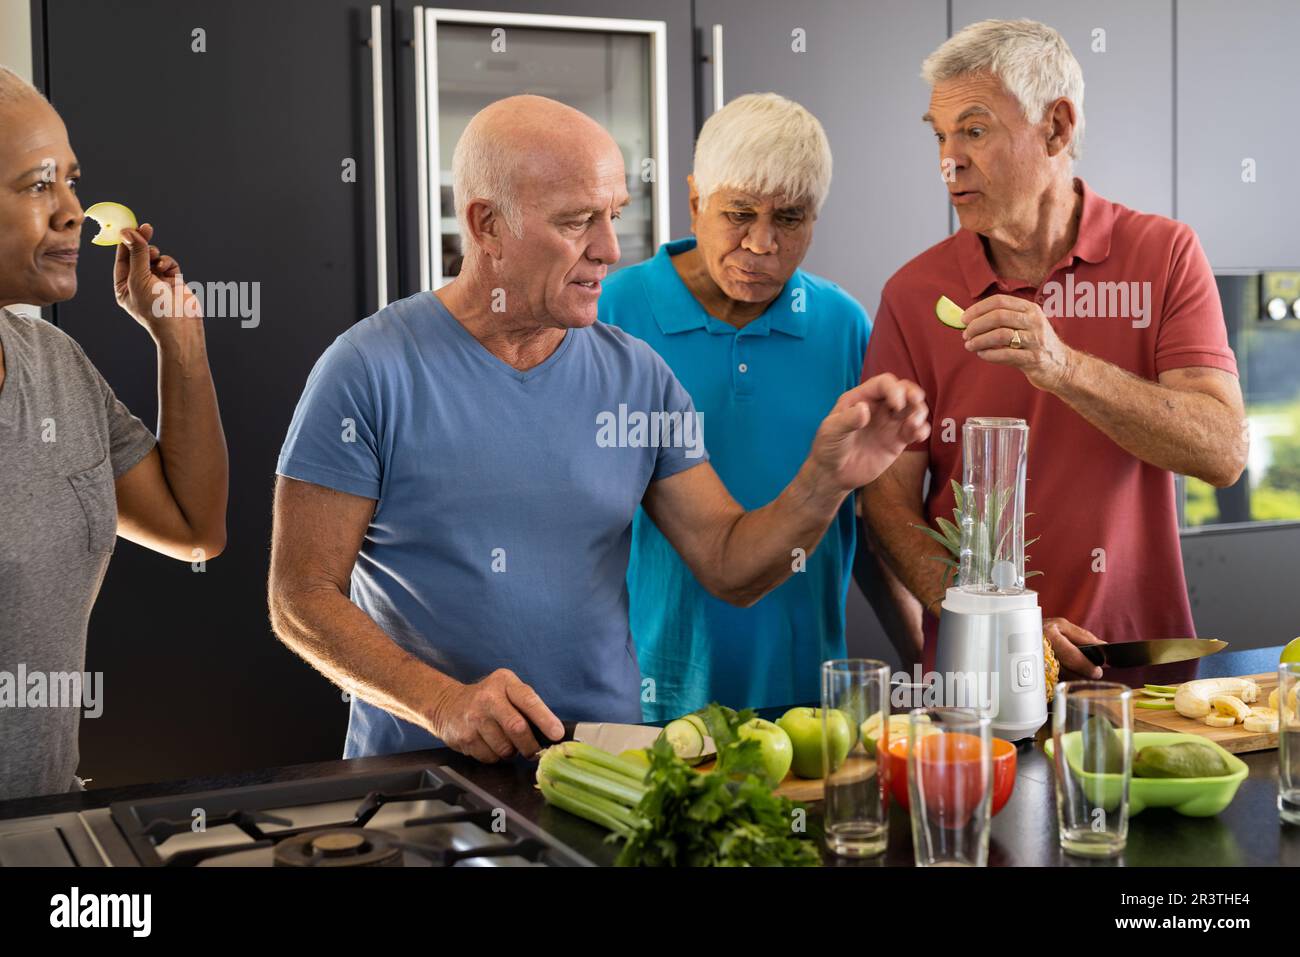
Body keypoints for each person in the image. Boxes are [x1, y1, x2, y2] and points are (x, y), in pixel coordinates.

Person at [269, 95, 930, 764]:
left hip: (609, 771)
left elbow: (729, 562)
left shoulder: (637, 376)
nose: (609, 249)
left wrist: (825, 479)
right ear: (486, 224)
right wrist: (443, 701)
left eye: (613, 216)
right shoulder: (366, 368)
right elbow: (300, 595)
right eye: (577, 221)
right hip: (422, 776)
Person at [861, 20, 1246, 688]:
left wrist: (1062, 367)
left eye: (974, 131)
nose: (949, 161)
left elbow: (1223, 452)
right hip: (977, 686)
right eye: (939, 135)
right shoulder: (911, 293)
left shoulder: (1164, 255)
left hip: (1140, 682)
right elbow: (888, 505)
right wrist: (996, 622)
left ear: (1058, 128)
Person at [600, 92, 891, 719]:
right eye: (739, 214)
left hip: (805, 697)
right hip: (639, 693)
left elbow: (873, 520)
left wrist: (938, 652)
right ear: (696, 201)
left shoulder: (841, 324)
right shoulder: (608, 315)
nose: (761, 245)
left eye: (789, 219)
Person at [0, 66, 229, 801]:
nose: (73, 212)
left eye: (71, 181)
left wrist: (178, 341)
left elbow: (194, 527)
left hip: (46, 816)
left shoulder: (54, 362)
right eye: (37, 186)